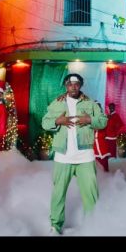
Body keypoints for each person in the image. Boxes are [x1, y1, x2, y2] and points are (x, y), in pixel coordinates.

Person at [41, 73, 107, 235]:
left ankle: (93, 225)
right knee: (58, 194)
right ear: (65, 85)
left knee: (91, 194)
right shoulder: (57, 103)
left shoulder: (90, 103)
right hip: (63, 156)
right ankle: (55, 226)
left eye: (76, 84)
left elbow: (103, 121)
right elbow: (45, 123)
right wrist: (58, 121)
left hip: (85, 156)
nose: (73, 86)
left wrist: (90, 120)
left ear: (80, 85)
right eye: (70, 84)